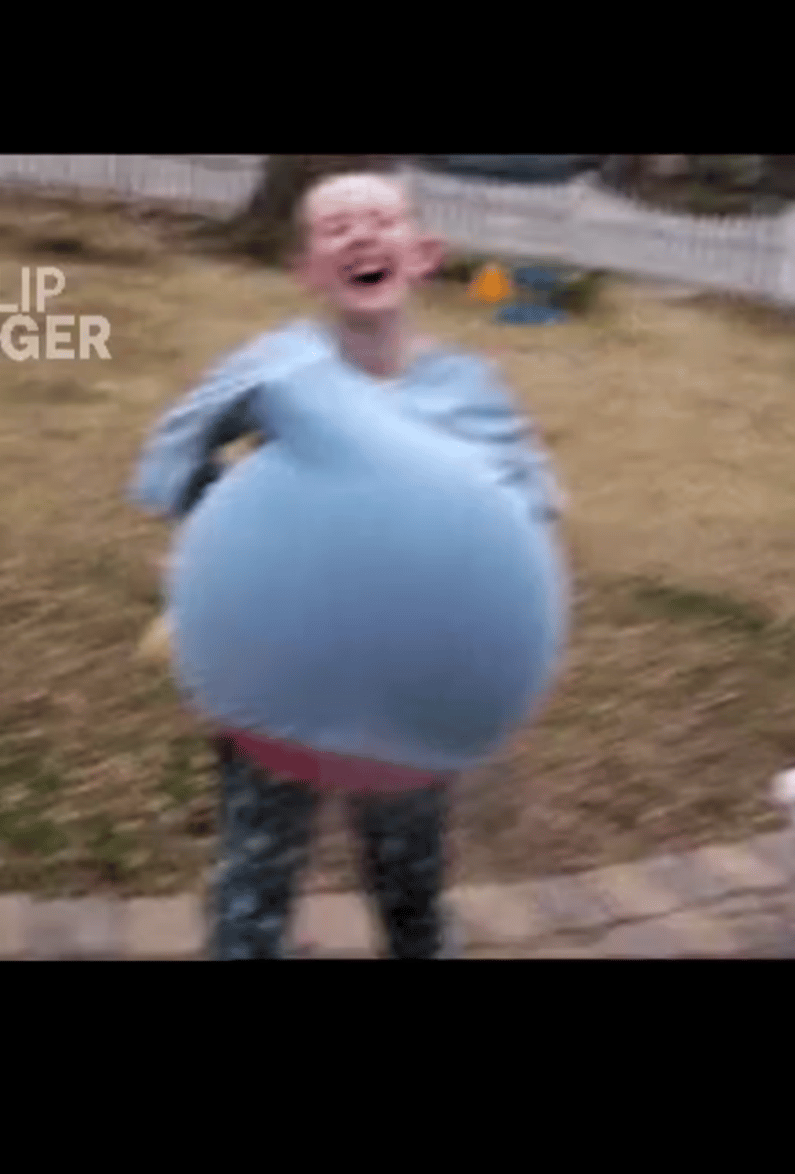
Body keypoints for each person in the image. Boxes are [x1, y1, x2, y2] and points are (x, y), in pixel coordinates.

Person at [131, 173, 565, 959]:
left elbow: (527, 517)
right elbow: (175, 449)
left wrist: (509, 639)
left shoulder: (473, 390)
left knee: (410, 890)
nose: (361, 235)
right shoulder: (279, 367)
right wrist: (220, 548)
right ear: (307, 269)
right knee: (255, 881)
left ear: (424, 253)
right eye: (336, 228)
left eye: (380, 220)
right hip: (280, 672)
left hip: (415, 685)